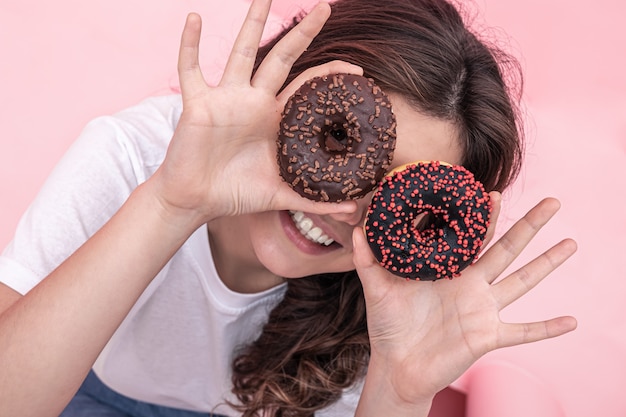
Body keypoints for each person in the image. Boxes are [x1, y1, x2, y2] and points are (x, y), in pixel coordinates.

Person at [0, 0, 577, 416]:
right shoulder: (133, 157)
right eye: (340, 147)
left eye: (394, 201)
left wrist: (399, 394)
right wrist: (172, 204)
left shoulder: (385, 299)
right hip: (74, 380)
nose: (350, 210)